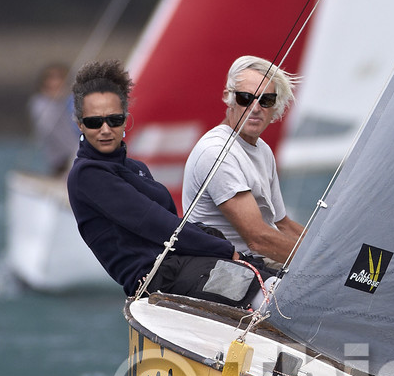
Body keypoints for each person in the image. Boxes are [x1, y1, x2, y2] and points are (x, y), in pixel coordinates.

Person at [65, 59, 274, 307]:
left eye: (114, 119)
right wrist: (227, 251)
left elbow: (174, 224)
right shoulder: (87, 175)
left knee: (268, 275)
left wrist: (220, 245)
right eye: (94, 122)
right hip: (155, 280)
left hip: (181, 266)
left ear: (125, 119)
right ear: (80, 124)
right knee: (255, 283)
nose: (105, 129)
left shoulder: (136, 169)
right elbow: (157, 224)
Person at [182, 56, 305, 263]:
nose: (255, 108)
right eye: (245, 98)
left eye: (266, 100)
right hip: (225, 270)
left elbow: (282, 224)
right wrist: (320, 261)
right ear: (228, 98)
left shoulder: (263, 150)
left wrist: (329, 250)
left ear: (275, 106)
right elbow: (257, 239)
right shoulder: (216, 151)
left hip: (258, 262)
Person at [28, 62, 80, 174]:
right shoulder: (39, 104)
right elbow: (47, 125)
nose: (56, 83)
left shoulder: (73, 100)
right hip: (60, 159)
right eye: (51, 79)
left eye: (59, 78)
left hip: (79, 154)